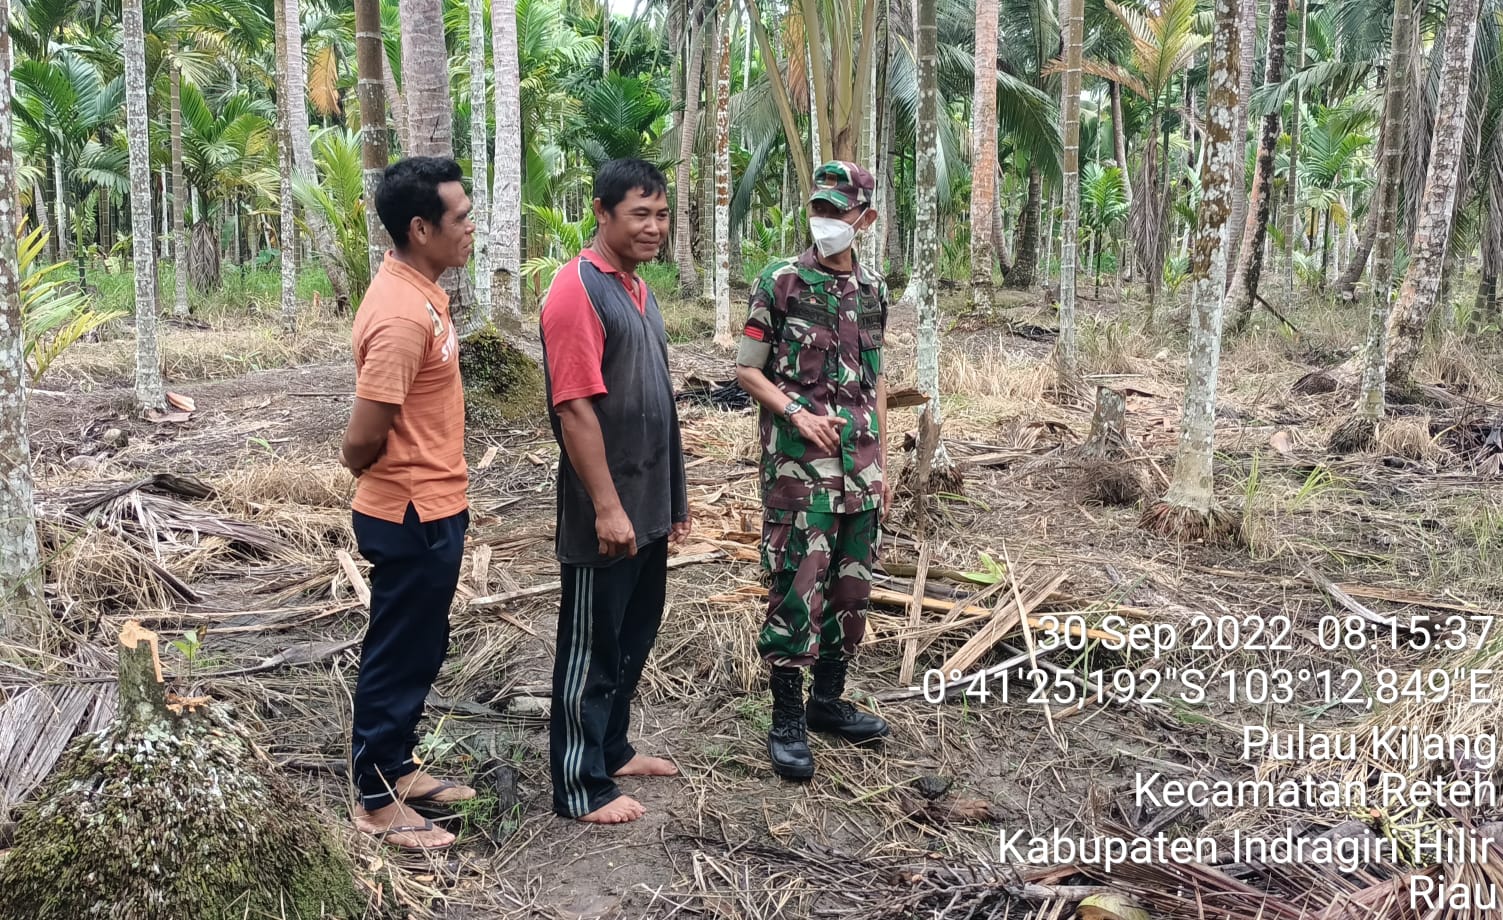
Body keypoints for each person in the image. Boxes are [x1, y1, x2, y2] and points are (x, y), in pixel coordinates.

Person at [539, 158, 692, 824]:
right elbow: (574, 407)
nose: (654, 227)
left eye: (661, 214)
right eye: (640, 214)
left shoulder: (636, 289)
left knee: (632, 636)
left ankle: (613, 748)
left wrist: (673, 502)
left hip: (648, 504)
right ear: (601, 212)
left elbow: (655, 401)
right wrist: (606, 506)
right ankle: (579, 785)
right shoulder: (577, 288)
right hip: (605, 510)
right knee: (591, 646)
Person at [734, 160, 892, 780]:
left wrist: (884, 459)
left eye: (837, 212)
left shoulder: (872, 290)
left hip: (862, 469)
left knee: (851, 591)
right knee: (798, 586)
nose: (824, 222)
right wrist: (797, 414)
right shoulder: (781, 282)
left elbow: (877, 379)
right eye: (818, 209)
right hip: (800, 471)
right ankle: (787, 718)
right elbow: (747, 370)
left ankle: (828, 701)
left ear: (865, 220)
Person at [339, 156, 476, 850]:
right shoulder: (398, 315)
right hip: (409, 510)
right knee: (398, 651)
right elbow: (362, 437)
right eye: (459, 218)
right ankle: (373, 798)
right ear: (420, 228)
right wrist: (367, 468)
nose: (470, 228)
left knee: (421, 644)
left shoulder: (421, 291)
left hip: (435, 501)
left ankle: (395, 768)